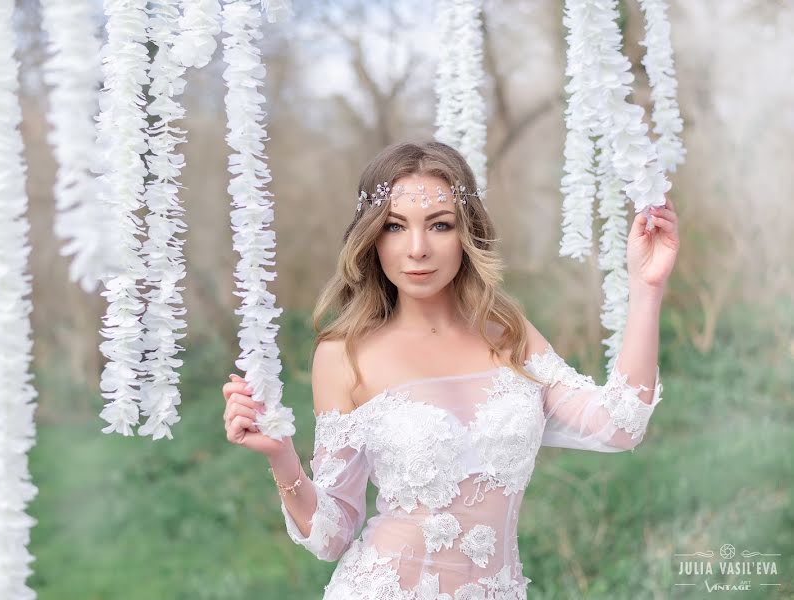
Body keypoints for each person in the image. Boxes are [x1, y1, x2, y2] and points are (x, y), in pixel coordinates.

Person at [221, 140, 679, 599]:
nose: (417, 249)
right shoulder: (343, 354)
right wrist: (281, 455)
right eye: (395, 227)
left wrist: (646, 287)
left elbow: (621, 424)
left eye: (439, 225)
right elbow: (331, 535)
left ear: (467, 234)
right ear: (372, 237)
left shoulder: (509, 333)